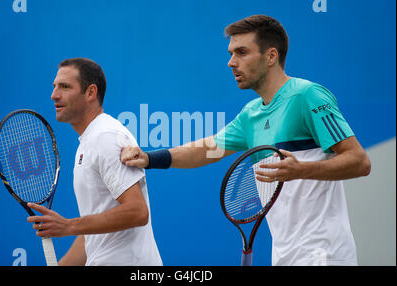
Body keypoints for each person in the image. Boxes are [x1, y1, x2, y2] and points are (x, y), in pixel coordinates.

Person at [120, 15, 371, 266]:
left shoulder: (308, 96)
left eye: (242, 52)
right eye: (231, 53)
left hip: (323, 255)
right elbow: (206, 150)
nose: (231, 63)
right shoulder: (250, 115)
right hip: (284, 257)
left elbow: (359, 161)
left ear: (271, 56)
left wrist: (302, 169)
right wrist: (150, 158)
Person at [27, 58, 162, 266]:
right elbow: (92, 233)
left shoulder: (105, 137)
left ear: (90, 92)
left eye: (64, 87)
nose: (54, 95)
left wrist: (68, 225)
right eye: (54, 87)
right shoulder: (90, 141)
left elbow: (137, 211)